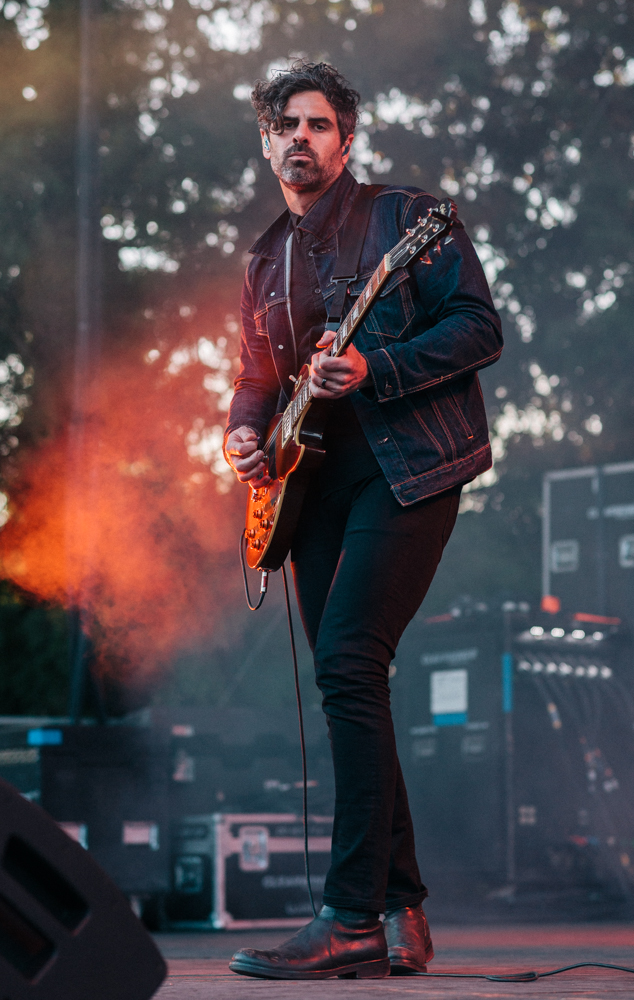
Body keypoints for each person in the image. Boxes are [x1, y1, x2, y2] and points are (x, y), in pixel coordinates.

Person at [224, 61, 502, 980]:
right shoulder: (267, 257)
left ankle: (349, 918)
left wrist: (375, 372)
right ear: (265, 143)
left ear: (346, 139)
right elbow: (256, 379)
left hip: (407, 470)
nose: (298, 138)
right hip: (307, 489)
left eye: (316, 124)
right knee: (351, 686)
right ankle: (403, 911)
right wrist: (240, 437)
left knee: (348, 661)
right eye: (284, 125)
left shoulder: (403, 219)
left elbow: (477, 328)